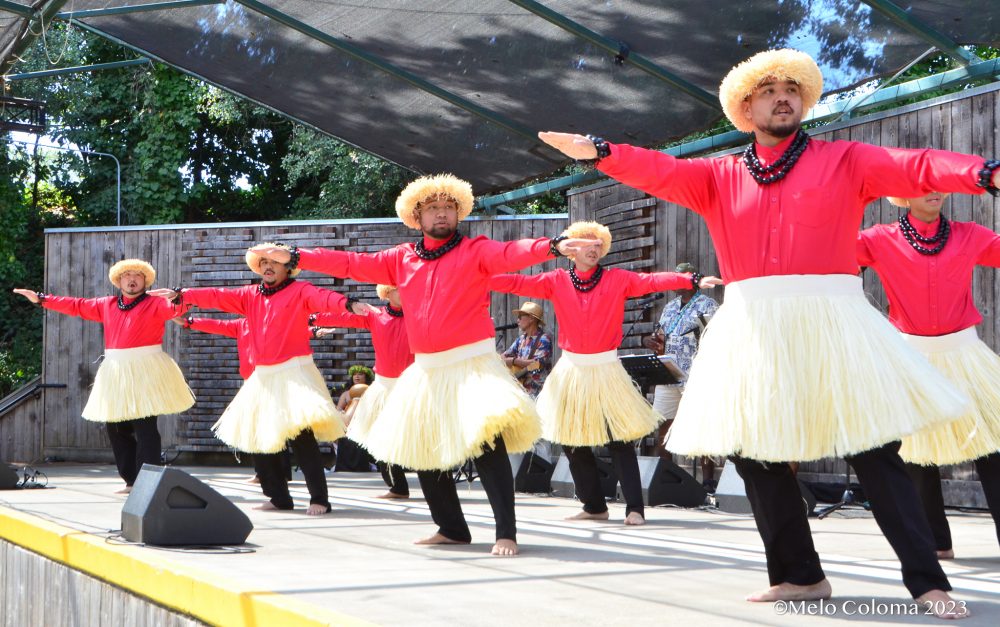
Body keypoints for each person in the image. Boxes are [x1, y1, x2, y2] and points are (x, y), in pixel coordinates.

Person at [538, 47, 999, 616]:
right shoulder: (716, 176)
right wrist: (603, 152)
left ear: (803, 100)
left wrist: (981, 173)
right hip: (753, 325)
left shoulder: (846, 159)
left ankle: (928, 581)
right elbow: (662, 171)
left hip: (833, 320)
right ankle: (800, 575)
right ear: (745, 104)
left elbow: (916, 166)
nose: (783, 96)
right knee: (755, 452)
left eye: (792, 89)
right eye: (768, 89)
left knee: (873, 449)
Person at [250, 173, 595, 555]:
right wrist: (298, 257)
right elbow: (352, 263)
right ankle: (451, 528)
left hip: (471, 364)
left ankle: (506, 533)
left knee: (487, 444)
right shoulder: (401, 259)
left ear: (458, 212)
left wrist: (552, 245)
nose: (442, 214)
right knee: (426, 448)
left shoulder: (475, 250)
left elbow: (511, 252)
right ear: (418, 216)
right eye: (433, 208)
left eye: (449, 207)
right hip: (428, 369)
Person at [491, 221, 721, 525]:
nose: (595, 248)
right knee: (572, 442)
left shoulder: (617, 280)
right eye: (587, 243)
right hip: (572, 370)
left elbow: (651, 281)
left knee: (619, 440)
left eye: (599, 244)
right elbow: (516, 283)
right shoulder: (555, 280)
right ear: (571, 249)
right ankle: (594, 505)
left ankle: (634, 508)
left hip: (606, 369)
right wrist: (477, 274)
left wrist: (689, 278)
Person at [150, 243, 371, 515]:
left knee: (302, 437)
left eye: (275, 262)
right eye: (263, 262)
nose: (268, 266)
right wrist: (183, 294)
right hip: (263, 376)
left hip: (294, 372)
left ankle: (319, 499)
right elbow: (218, 296)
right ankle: (278, 497)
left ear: (288, 267)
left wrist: (348, 303)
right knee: (262, 436)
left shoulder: (300, 290)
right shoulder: (249, 295)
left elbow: (323, 297)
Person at [859, 191, 1000, 559]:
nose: (933, 190)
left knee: (995, 446)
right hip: (911, 359)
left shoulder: (970, 234)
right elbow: (831, 257)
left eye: (939, 182)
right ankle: (935, 544)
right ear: (902, 195)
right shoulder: (878, 239)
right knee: (916, 454)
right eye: (922, 184)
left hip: (966, 355)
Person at [13, 260, 193, 493]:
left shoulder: (156, 303)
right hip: (116, 370)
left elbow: (178, 309)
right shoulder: (107, 304)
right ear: (118, 281)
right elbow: (76, 305)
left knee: (145, 426)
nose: (132, 279)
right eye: (127, 275)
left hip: (146, 369)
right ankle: (130, 480)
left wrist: (178, 297)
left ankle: (149, 482)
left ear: (145, 280)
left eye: (137, 275)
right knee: (116, 427)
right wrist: (41, 299)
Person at [313, 284, 414, 499]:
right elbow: (345, 318)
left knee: (421, 437)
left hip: (415, 386)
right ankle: (397, 487)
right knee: (378, 437)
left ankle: (438, 490)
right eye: (399, 289)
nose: (406, 292)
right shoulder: (376, 316)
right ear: (387, 293)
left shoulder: (420, 314)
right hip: (385, 386)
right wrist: (314, 318)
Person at [643, 262, 719, 489]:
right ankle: (667, 478)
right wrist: (649, 341)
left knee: (701, 425)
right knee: (664, 423)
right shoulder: (670, 307)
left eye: (680, 278)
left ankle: (707, 481)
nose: (676, 283)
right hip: (668, 372)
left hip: (696, 373)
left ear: (692, 280)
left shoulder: (708, 304)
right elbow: (660, 334)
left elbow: (716, 337)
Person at [500, 301, 553, 399]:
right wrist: (504, 359)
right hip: (521, 392)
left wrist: (514, 361)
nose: (517, 320)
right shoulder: (521, 339)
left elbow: (537, 364)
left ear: (531, 319)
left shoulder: (544, 340)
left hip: (539, 394)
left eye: (520, 316)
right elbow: (503, 356)